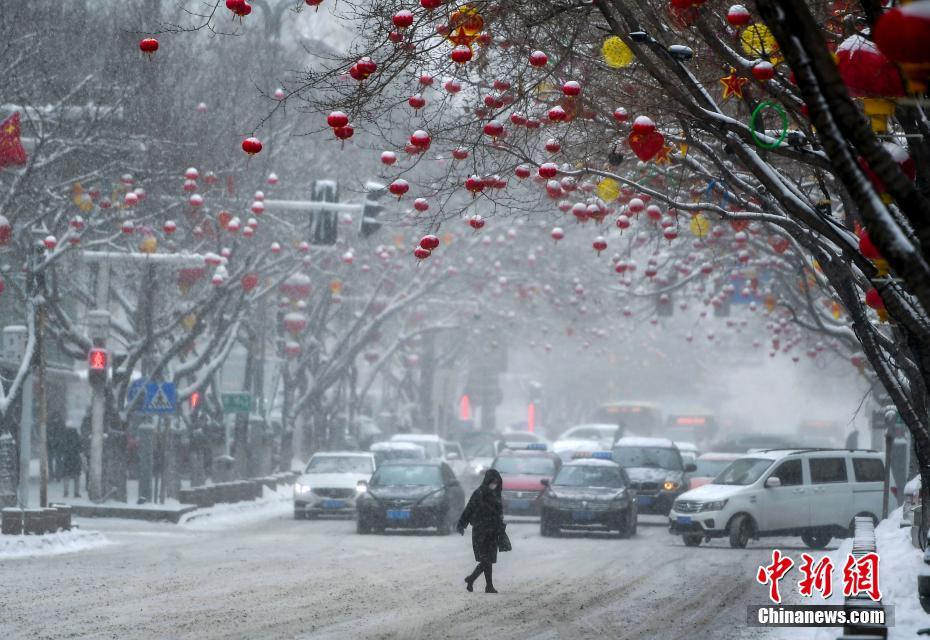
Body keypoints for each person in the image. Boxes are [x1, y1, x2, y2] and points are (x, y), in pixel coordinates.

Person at [457, 468, 505, 594]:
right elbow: (469, 509)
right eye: (492, 482)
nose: (494, 484)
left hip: (493, 531)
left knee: (488, 560)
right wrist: (462, 524)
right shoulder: (479, 493)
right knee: (486, 559)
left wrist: (500, 524)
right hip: (481, 531)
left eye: (496, 482)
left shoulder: (497, 494)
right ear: (488, 481)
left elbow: (499, 513)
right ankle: (474, 580)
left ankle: (485, 585)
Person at [60, 425, 83, 498]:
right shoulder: (77, 439)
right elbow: (81, 448)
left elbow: (61, 448)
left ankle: (66, 491)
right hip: (76, 459)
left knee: (66, 476)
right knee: (77, 477)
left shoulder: (65, 439)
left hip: (67, 459)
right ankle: (76, 492)